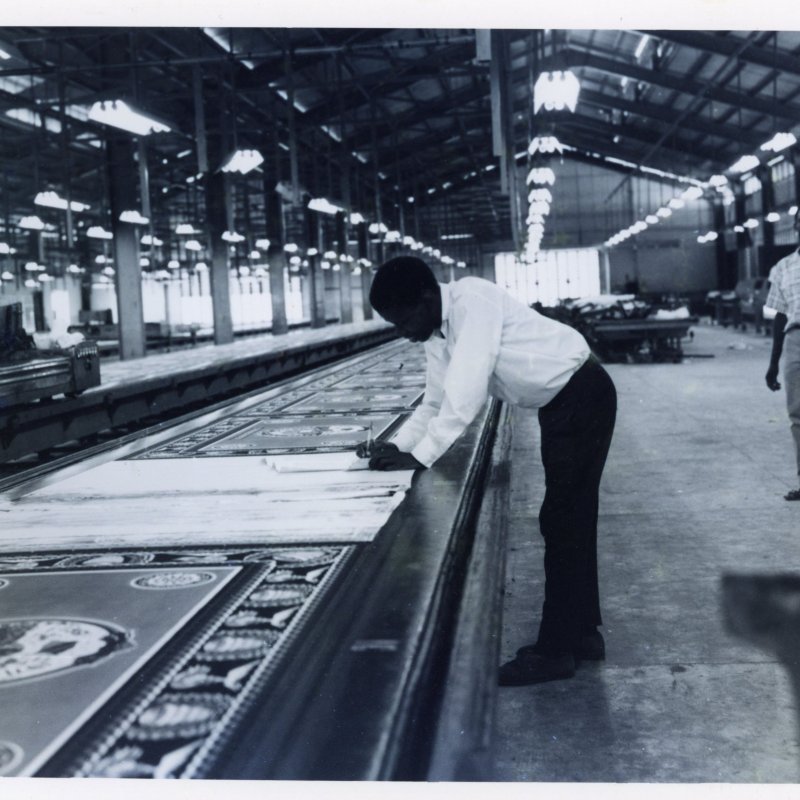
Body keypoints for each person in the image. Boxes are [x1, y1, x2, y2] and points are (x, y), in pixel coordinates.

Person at [358, 256, 617, 685]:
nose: (401, 333)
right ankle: (582, 634)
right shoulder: (437, 331)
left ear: (425, 298)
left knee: (563, 518)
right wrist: (398, 446)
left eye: (403, 321)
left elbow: (466, 391)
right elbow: (435, 402)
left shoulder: (471, 302)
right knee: (570, 518)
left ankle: (555, 651)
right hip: (563, 403)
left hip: (580, 395)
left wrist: (421, 458)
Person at [765, 209, 800, 501]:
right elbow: (779, 316)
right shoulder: (784, 267)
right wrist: (773, 363)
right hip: (795, 340)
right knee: (798, 414)